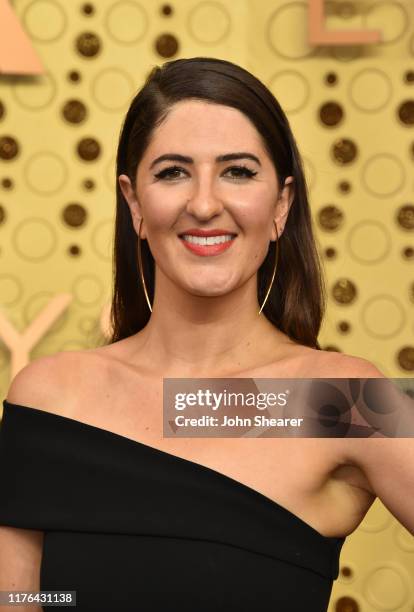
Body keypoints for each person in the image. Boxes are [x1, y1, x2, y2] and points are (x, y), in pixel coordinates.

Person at [0, 57, 412, 612]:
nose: (203, 204)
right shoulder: (52, 395)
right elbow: (21, 598)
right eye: (173, 172)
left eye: (238, 171)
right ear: (134, 204)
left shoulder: (333, 399)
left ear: (281, 206)